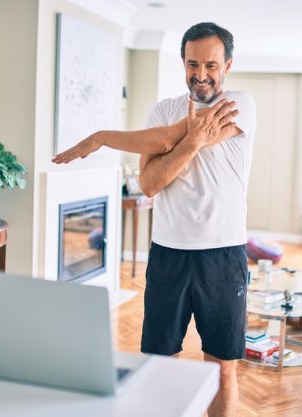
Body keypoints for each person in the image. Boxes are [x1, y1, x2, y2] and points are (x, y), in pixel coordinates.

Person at [53, 22, 255, 417]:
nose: (201, 75)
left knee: (223, 370)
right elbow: (149, 183)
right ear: (183, 61)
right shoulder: (162, 111)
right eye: (193, 63)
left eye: (211, 65)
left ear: (227, 64)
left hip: (223, 256)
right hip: (169, 256)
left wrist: (101, 137)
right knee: (158, 367)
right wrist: (194, 139)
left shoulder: (240, 104)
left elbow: (165, 142)